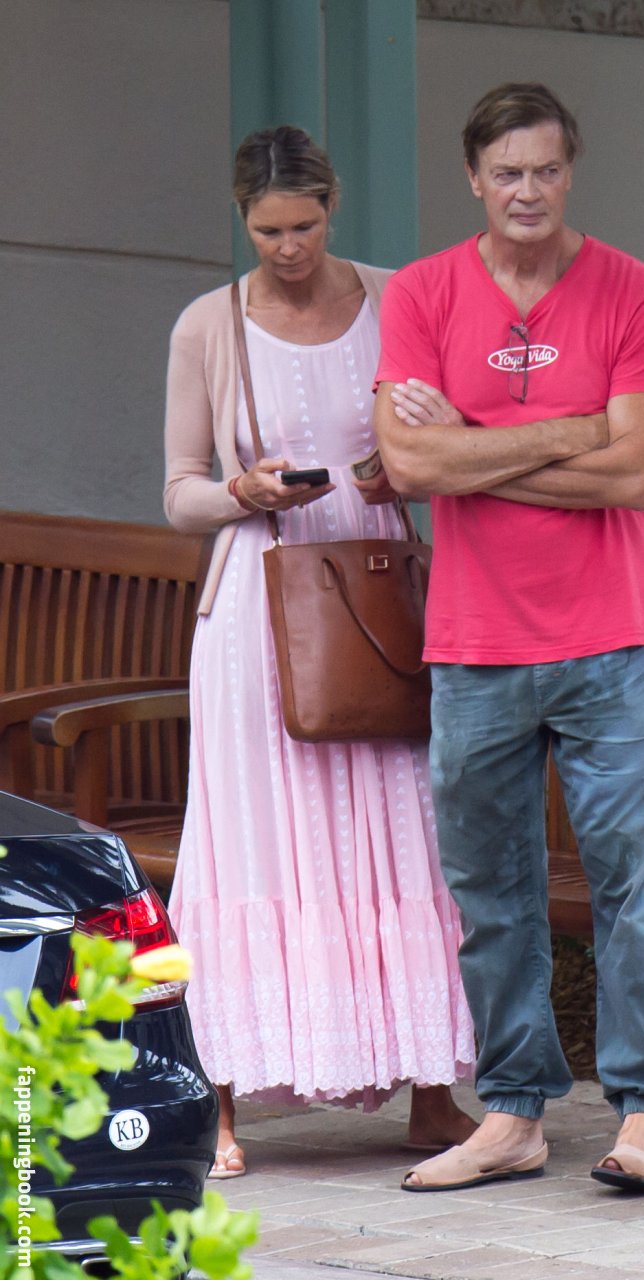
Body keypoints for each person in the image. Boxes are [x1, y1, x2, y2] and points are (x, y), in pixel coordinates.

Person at [373, 83, 644, 1194]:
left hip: (612, 637)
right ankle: (512, 1112)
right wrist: (573, 431)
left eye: (546, 170)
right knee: (491, 891)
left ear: (570, 173)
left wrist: (475, 441)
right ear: (473, 177)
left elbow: (635, 471)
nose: (527, 190)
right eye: (506, 171)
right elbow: (409, 464)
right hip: (474, 646)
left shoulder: (635, 293)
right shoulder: (422, 294)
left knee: (633, 884)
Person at [164, 125, 475, 1179]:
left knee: (400, 831)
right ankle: (218, 1103)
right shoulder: (208, 324)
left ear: (332, 207)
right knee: (248, 840)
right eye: (267, 231)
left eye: (303, 226)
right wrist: (242, 491)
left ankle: (431, 1092)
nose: (288, 247)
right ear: (241, 221)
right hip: (257, 607)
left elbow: (451, 434)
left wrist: (400, 468)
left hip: (379, 596)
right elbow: (178, 491)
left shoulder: (397, 297)